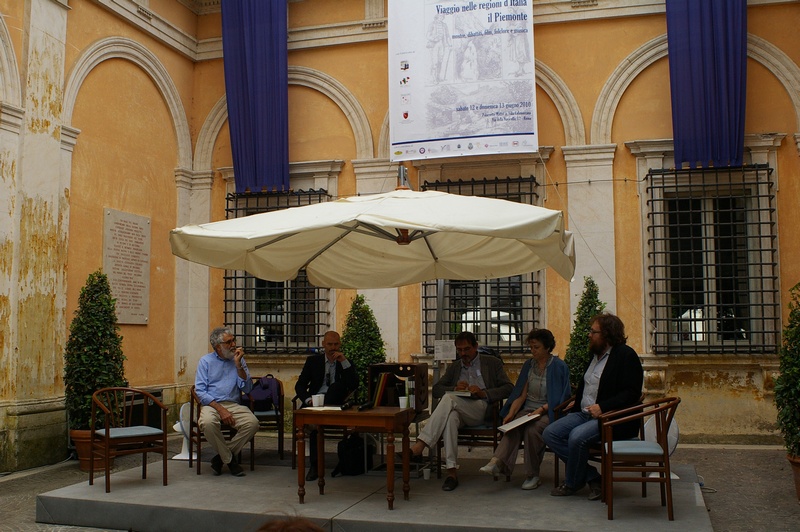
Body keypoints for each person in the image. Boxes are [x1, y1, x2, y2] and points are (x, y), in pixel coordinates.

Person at [542, 313, 643, 500]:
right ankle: (592, 477)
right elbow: (588, 385)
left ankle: (572, 483)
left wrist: (603, 407)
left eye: (593, 331)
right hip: (584, 413)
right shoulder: (596, 355)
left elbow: (632, 393)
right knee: (550, 433)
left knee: (576, 437)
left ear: (607, 334)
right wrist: (578, 400)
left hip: (611, 418)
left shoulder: (626, 356)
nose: (589, 335)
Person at [410, 331, 513, 491]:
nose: (463, 354)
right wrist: (454, 388)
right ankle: (452, 473)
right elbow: (437, 389)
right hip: (458, 408)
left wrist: (483, 392)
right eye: (459, 350)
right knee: (450, 417)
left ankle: (421, 444)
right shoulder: (455, 366)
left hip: (481, 409)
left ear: (475, 347)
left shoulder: (491, 363)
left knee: (448, 399)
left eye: (466, 349)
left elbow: (508, 388)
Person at [479, 328, 571, 490]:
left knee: (532, 431)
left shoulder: (558, 366)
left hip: (550, 410)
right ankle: (496, 462)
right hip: (528, 408)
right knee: (512, 427)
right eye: (531, 347)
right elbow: (520, 395)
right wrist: (511, 414)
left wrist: (541, 409)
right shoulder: (529, 365)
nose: (532, 350)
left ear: (547, 347)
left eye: (536, 347)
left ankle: (532, 475)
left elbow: (561, 398)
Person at [194, 326, 259, 477]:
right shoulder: (205, 362)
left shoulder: (238, 360)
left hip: (233, 404)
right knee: (207, 422)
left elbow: (248, 388)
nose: (233, 344)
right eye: (228, 342)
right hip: (212, 404)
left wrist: (238, 365)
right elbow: (200, 391)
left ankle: (221, 458)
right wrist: (220, 409)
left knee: (253, 423)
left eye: (233, 340)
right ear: (218, 347)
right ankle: (230, 461)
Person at [295, 331, 357, 481]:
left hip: (335, 405)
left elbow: (354, 384)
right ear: (323, 344)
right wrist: (309, 400)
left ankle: (318, 418)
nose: (333, 348)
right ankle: (315, 466)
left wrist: (344, 361)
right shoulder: (313, 362)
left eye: (336, 344)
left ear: (340, 345)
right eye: (330, 344)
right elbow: (300, 386)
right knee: (317, 427)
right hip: (315, 404)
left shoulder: (345, 362)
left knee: (336, 387)